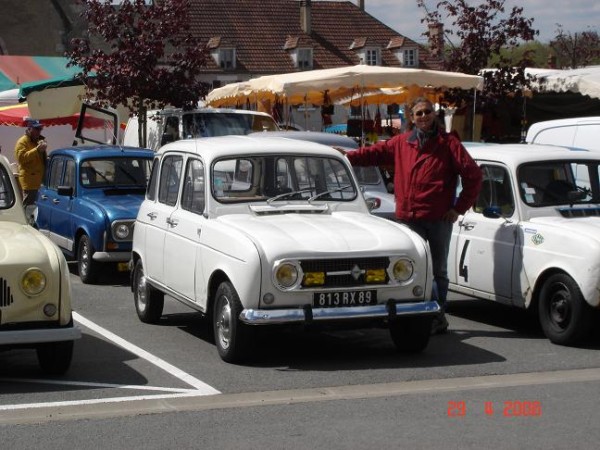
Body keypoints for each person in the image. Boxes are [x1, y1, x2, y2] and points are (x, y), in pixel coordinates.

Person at [344, 97, 482, 335]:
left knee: (438, 270)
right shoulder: (401, 143)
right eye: (418, 113)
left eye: (427, 112)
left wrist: (459, 208)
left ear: (434, 114)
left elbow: (474, 176)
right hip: (409, 217)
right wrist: (346, 156)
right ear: (411, 118)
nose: (424, 117)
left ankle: (438, 315)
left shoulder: (449, 144)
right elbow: (372, 154)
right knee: (410, 269)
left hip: (438, 218)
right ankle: (411, 313)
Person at [14, 118, 48, 207]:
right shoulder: (22, 142)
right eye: (36, 129)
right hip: (29, 183)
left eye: (40, 129)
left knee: (35, 209)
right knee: (28, 208)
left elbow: (40, 160)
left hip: (38, 182)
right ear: (29, 128)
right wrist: (37, 150)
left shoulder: (37, 140)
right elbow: (21, 159)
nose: (39, 131)